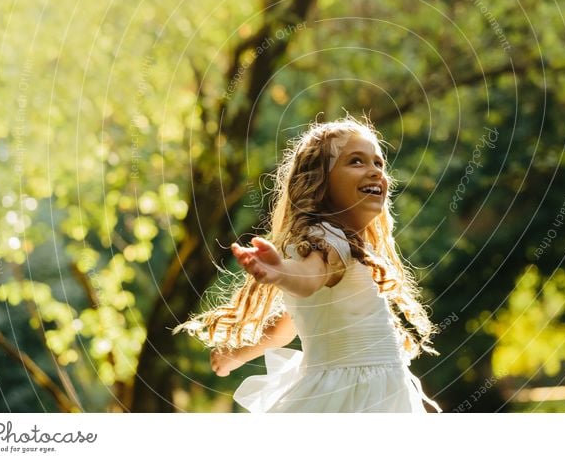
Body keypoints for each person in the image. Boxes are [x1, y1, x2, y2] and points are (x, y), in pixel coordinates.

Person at [174, 115, 442, 412]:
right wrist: (279, 272)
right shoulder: (325, 241)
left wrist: (239, 354)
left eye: (378, 163)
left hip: (370, 387)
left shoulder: (350, 245)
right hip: (354, 395)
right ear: (320, 183)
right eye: (356, 161)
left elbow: (285, 328)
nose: (374, 171)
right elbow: (307, 277)